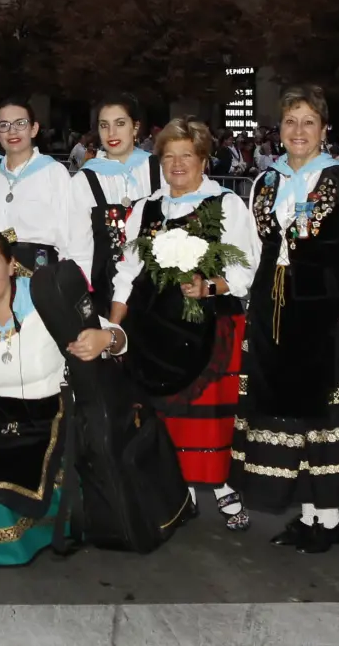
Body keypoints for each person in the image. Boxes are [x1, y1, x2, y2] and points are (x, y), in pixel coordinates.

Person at [231, 85, 339, 554]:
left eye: (308, 122)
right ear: (278, 130)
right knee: (288, 417)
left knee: (324, 417)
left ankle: (328, 520)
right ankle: (306, 516)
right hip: (274, 314)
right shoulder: (264, 183)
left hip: (327, 312)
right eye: (290, 122)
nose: (298, 131)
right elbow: (253, 253)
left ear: (324, 130)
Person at [0, 233, 126, 566]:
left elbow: (121, 340)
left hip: (47, 422)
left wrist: (104, 337)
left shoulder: (47, 305)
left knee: (5, 523)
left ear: (10, 266)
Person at [114, 118, 261, 530]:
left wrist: (208, 287)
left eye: (187, 156)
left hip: (208, 330)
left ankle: (221, 487)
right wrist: (113, 328)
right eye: (169, 156)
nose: (177, 164)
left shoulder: (226, 204)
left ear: (203, 159)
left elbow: (246, 269)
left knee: (208, 422)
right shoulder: (146, 208)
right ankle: (180, 491)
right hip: (152, 331)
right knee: (163, 417)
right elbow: (126, 274)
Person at [0, 100, 91, 280]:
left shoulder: (53, 172)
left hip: (40, 272)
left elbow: (71, 234)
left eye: (21, 123)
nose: (12, 131)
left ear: (33, 129)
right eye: (4, 125)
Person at [74, 94, 158, 308]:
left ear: (135, 127)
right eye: (104, 126)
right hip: (106, 291)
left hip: (158, 290)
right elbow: (78, 246)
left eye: (120, 124)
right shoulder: (84, 180)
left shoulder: (159, 169)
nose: (112, 133)